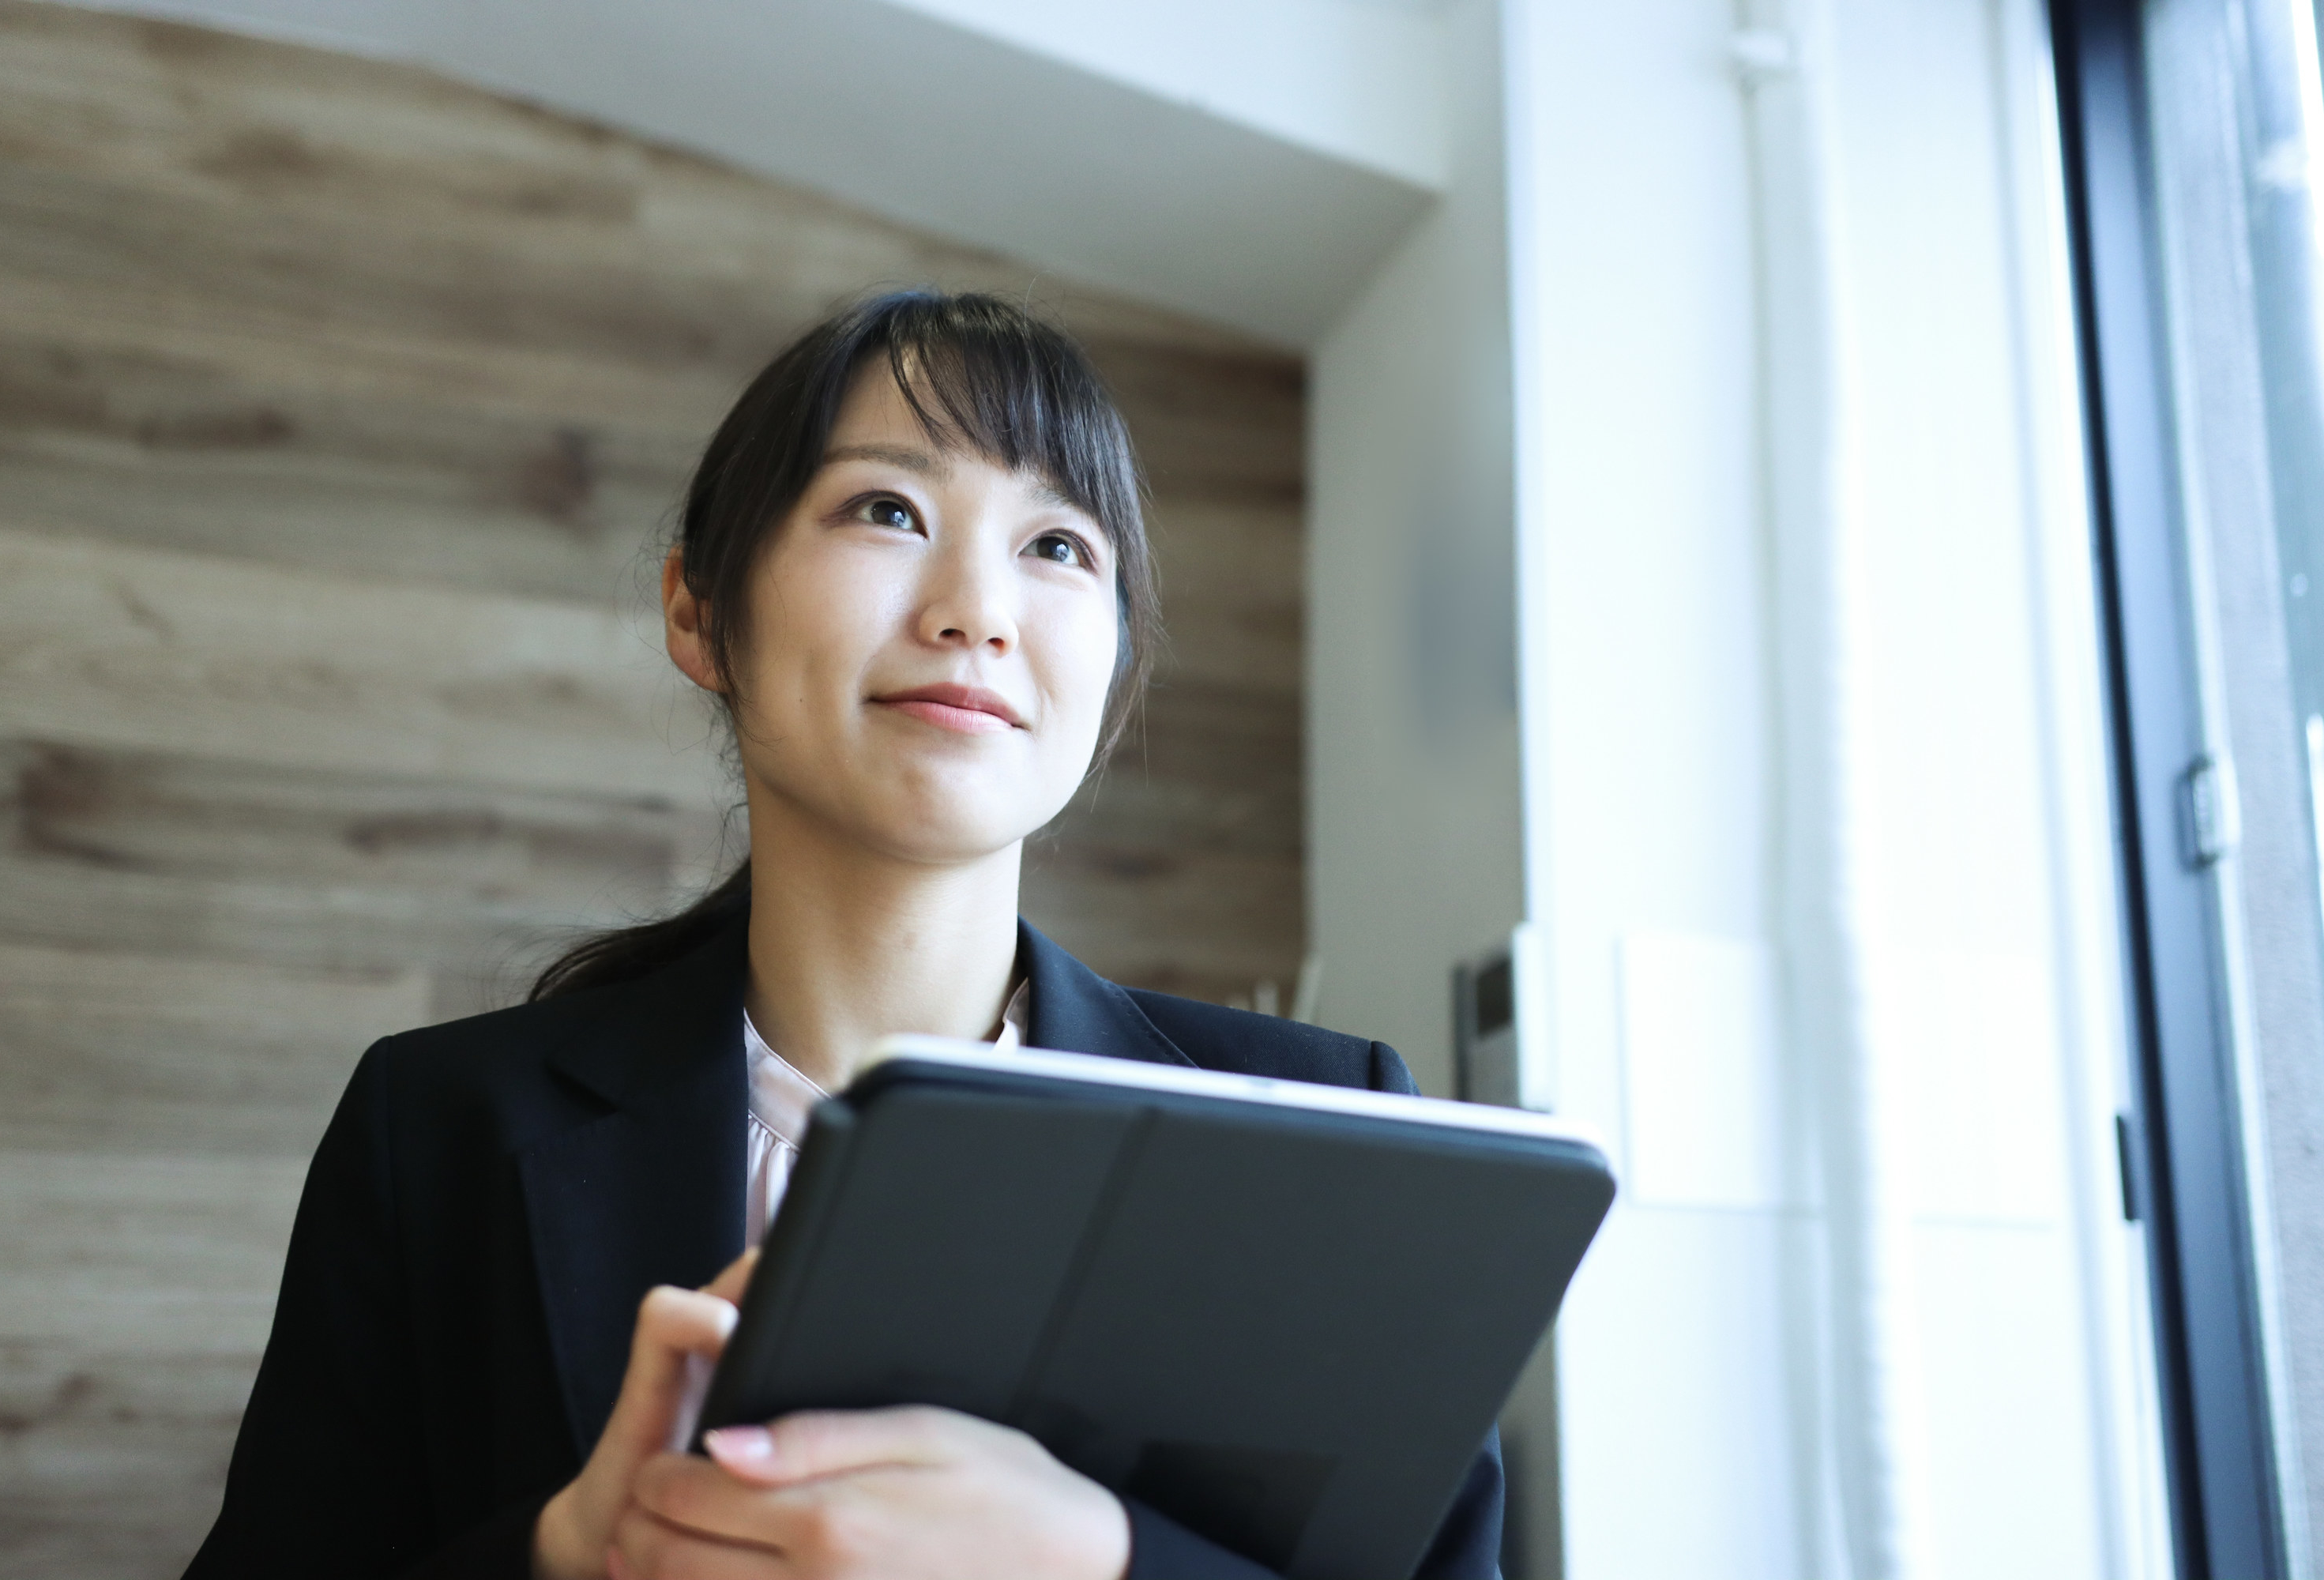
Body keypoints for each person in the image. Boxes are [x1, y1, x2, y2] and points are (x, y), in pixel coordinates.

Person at [182, 291, 1505, 1578]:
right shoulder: (441, 1128)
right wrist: (567, 1552)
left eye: (1059, 548)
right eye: (889, 509)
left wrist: (1105, 1562)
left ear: (1111, 680)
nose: (977, 610)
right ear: (701, 613)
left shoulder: (1332, 1128)